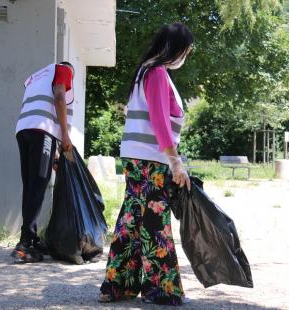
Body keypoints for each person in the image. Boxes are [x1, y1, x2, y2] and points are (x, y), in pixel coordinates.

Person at [99, 23, 193, 305]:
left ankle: (118, 287)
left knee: (132, 221)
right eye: (186, 51)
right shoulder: (157, 73)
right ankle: (160, 290)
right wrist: (175, 162)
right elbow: (160, 121)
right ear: (175, 49)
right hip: (151, 160)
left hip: (136, 158)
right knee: (155, 223)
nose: (185, 56)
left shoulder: (145, 72)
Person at [11, 61, 74, 263]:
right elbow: (59, 97)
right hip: (42, 131)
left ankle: (30, 236)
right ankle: (26, 243)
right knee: (38, 185)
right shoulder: (63, 69)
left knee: (31, 185)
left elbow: (41, 106)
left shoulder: (36, 77)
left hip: (24, 130)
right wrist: (64, 135)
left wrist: (53, 153)